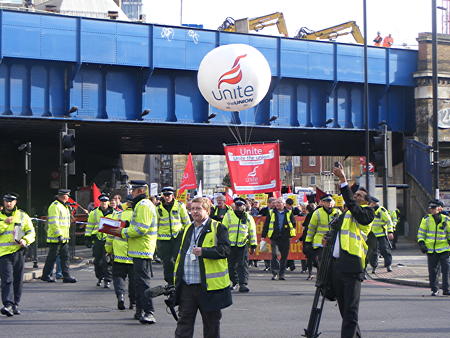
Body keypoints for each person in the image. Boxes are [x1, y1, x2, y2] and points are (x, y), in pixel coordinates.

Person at [173, 197, 232, 338]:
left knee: (211, 326)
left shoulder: (218, 227)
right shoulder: (187, 228)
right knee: (183, 325)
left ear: (207, 210)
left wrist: (204, 251)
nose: (194, 212)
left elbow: (225, 250)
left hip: (208, 288)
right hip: (187, 286)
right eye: (192, 209)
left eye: (198, 208)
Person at [331, 164, 374, 338]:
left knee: (350, 311)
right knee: (344, 310)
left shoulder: (367, 213)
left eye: (359, 195)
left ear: (367, 202)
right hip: (338, 266)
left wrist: (343, 181)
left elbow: (352, 205)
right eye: (355, 194)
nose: (355, 196)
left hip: (352, 266)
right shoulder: (347, 214)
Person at [110, 180, 157, 324]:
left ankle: (149, 312)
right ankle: (140, 311)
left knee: (143, 283)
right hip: (138, 249)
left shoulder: (143, 205)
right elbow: (138, 225)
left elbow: (141, 229)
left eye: (134, 190)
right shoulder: (141, 205)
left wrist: (123, 231)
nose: (131, 193)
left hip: (142, 249)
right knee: (138, 283)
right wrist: (127, 226)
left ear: (141, 191)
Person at [0, 193, 35, 316]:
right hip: (3, 254)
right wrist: (5, 222)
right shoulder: (0, 216)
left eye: (11, 201)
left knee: (18, 280)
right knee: (7, 279)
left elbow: (31, 232)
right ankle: (7, 304)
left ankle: (15, 304)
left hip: (19, 252)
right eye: (6, 201)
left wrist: (25, 240)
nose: (9, 203)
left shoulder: (22, 215)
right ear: (4, 202)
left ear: (15, 202)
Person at [105, 196, 135, 310]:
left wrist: (108, 250)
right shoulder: (138, 216)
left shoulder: (117, 215)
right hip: (134, 253)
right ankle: (133, 302)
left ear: (126, 204)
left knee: (118, 277)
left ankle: (120, 296)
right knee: (133, 280)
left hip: (119, 253)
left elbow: (110, 235)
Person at [156, 186, 190, 285]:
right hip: (163, 239)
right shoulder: (158, 208)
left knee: (178, 260)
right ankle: (170, 282)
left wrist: (185, 235)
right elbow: (156, 224)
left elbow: (186, 222)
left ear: (173, 195)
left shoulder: (180, 206)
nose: (167, 197)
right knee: (167, 262)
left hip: (177, 237)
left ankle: (179, 279)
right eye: (165, 195)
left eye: (169, 195)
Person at [222, 197, 257, 292]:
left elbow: (252, 231)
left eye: (240, 205)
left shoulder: (248, 217)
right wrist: (223, 243)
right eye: (237, 205)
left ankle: (243, 284)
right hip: (230, 245)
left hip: (243, 244)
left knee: (242, 265)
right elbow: (223, 230)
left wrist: (253, 245)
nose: (238, 207)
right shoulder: (228, 215)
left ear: (244, 206)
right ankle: (234, 282)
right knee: (230, 265)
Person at [41, 189, 77, 283]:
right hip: (56, 238)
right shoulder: (55, 206)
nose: (68, 197)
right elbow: (54, 222)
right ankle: (46, 275)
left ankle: (66, 276)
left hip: (63, 238)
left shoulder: (63, 206)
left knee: (65, 257)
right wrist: (59, 235)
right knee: (52, 258)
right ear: (63, 196)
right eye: (67, 195)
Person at [417, 199, 450, 296]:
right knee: (433, 271)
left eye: (433, 208)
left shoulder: (446, 219)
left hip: (444, 249)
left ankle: (446, 290)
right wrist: (422, 244)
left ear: (440, 208)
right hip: (431, 250)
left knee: (446, 270)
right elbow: (421, 233)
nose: (431, 210)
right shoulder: (426, 219)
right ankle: (434, 289)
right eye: (430, 208)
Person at [304, 194, 341, 275]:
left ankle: (328, 277)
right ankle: (321, 277)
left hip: (334, 241)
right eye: (327, 202)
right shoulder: (317, 213)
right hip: (320, 242)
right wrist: (308, 242)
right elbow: (311, 229)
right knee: (321, 261)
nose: (329, 204)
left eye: (330, 202)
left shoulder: (338, 212)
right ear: (322, 203)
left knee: (332, 262)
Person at [262, 197, 296, 280]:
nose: (277, 204)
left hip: (285, 237)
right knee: (275, 254)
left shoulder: (289, 212)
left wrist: (289, 231)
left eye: (279, 202)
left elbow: (293, 223)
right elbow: (266, 225)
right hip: (275, 237)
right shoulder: (271, 213)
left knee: (284, 257)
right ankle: (275, 273)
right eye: (276, 203)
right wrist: (263, 236)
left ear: (284, 204)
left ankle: (282, 274)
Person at [85, 193, 115, 288]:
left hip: (109, 240)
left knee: (107, 261)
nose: (104, 203)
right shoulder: (94, 213)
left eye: (105, 201)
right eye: (102, 202)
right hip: (97, 240)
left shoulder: (114, 213)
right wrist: (88, 238)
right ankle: (100, 277)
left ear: (108, 202)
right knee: (97, 261)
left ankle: (107, 279)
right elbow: (90, 225)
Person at [367, 196, 394, 273]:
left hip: (381, 234)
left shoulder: (381, 211)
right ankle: (373, 267)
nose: (369, 204)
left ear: (374, 203)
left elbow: (389, 221)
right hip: (371, 235)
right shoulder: (369, 210)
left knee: (385, 250)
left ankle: (388, 265)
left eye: (371, 203)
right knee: (373, 252)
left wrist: (390, 232)